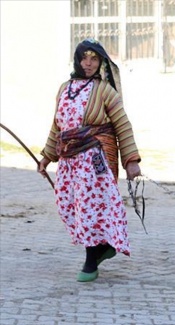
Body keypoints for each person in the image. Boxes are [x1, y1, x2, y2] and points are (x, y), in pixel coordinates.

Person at [38, 38, 142, 282]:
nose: (88, 63)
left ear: (101, 61)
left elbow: (122, 124)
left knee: (88, 206)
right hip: (69, 159)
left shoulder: (105, 90)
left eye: (94, 58)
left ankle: (91, 260)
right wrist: (46, 157)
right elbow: (57, 125)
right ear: (77, 59)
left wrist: (131, 160)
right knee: (68, 205)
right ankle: (103, 247)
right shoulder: (65, 87)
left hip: (94, 157)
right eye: (84, 57)